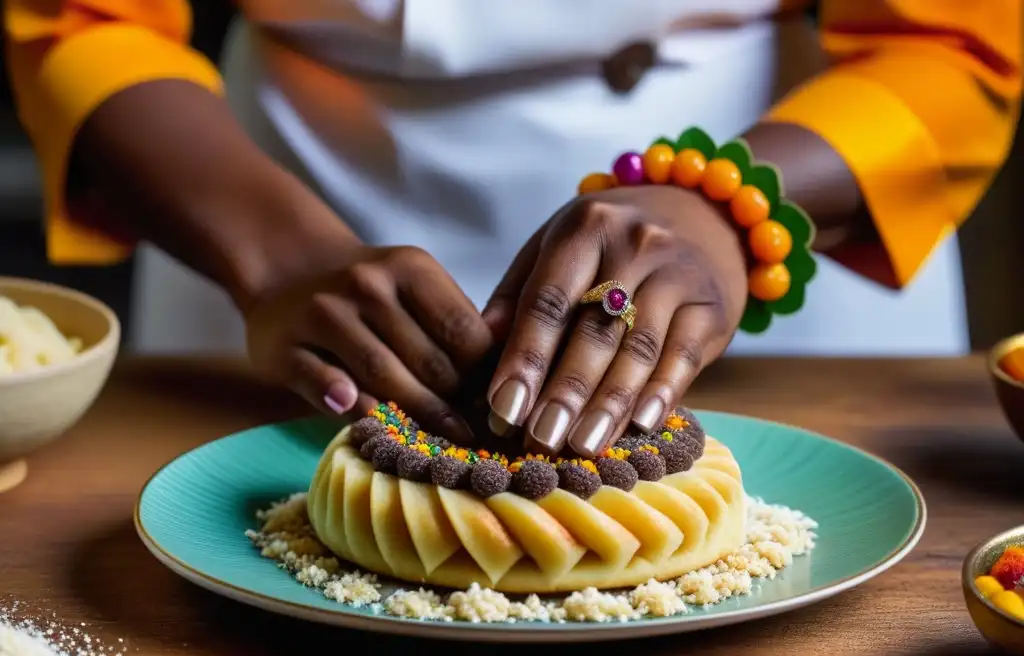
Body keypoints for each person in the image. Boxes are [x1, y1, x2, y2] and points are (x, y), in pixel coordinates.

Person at [5, 1, 1021, 457]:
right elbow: (84, 21)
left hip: (777, 206)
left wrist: (725, 202)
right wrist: (275, 257)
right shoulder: (271, 243)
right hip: (274, 199)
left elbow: (952, 36)